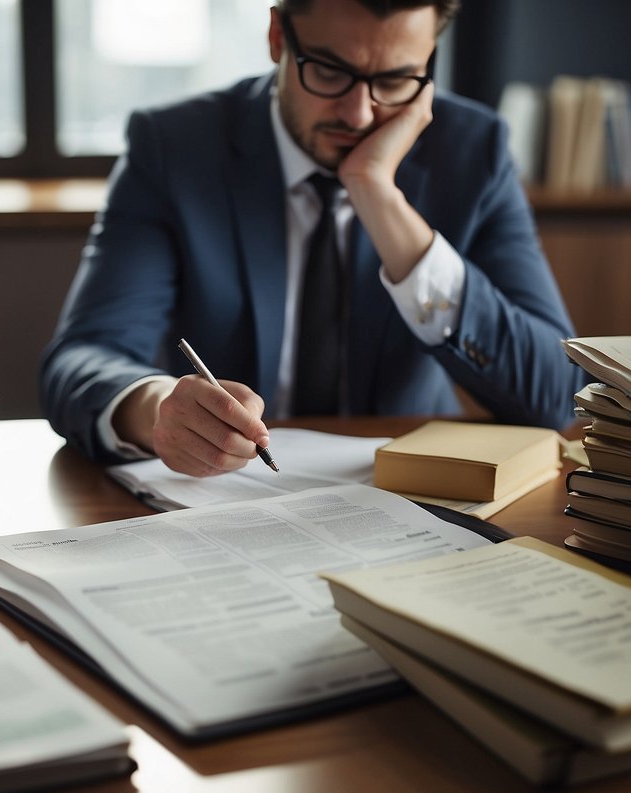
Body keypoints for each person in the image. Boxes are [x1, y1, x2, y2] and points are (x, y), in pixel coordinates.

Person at [41, 0, 585, 476]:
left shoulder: (474, 151)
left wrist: (378, 194)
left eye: (396, 80)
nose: (360, 113)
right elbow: (84, 357)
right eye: (329, 70)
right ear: (279, 38)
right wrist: (157, 408)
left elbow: (557, 393)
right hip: (222, 502)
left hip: (409, 502)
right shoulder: (174, 147)